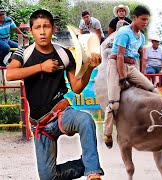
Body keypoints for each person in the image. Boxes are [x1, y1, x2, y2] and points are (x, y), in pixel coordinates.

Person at [6, 9, 104, 180]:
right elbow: (10, 74)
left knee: (85, 119)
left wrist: (90, 67)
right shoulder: (23, 53)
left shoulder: (63, 54)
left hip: (60, 114)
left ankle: (93, 172)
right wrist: (41, 67)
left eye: (46, 26)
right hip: (40, 125)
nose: (42, 31)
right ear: (31, 31)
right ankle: (85, 164)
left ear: (54, 28)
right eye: (37, 27)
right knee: (48, 177)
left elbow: (77, 87)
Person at [103, 5, 158, 149]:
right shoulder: (124, 32)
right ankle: (107, 132)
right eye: (143, 19)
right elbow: (120, 56)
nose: (145, 22)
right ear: (135, 18)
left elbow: (139, 56)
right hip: (116, 64)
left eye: (147, 20)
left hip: (132, 66)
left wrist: (141, 76)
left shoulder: (142, 36)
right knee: (114, 103)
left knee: (153, 90)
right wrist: (122, 78)